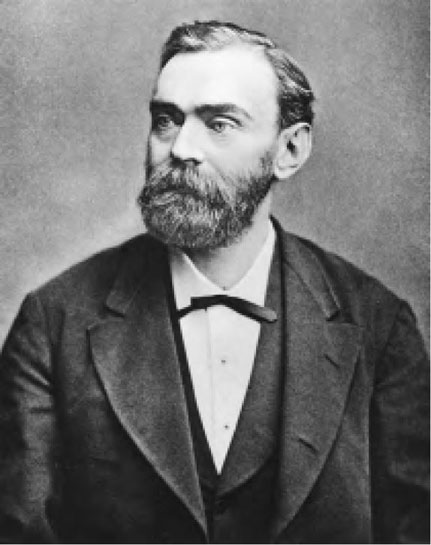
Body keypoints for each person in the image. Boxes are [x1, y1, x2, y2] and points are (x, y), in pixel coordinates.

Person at [0, 20, 428, 544]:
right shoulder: (53, 322)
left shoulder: (380, 327)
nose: (181, 147)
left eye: (219, 123)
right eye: (166, 120)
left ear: (290, 151)